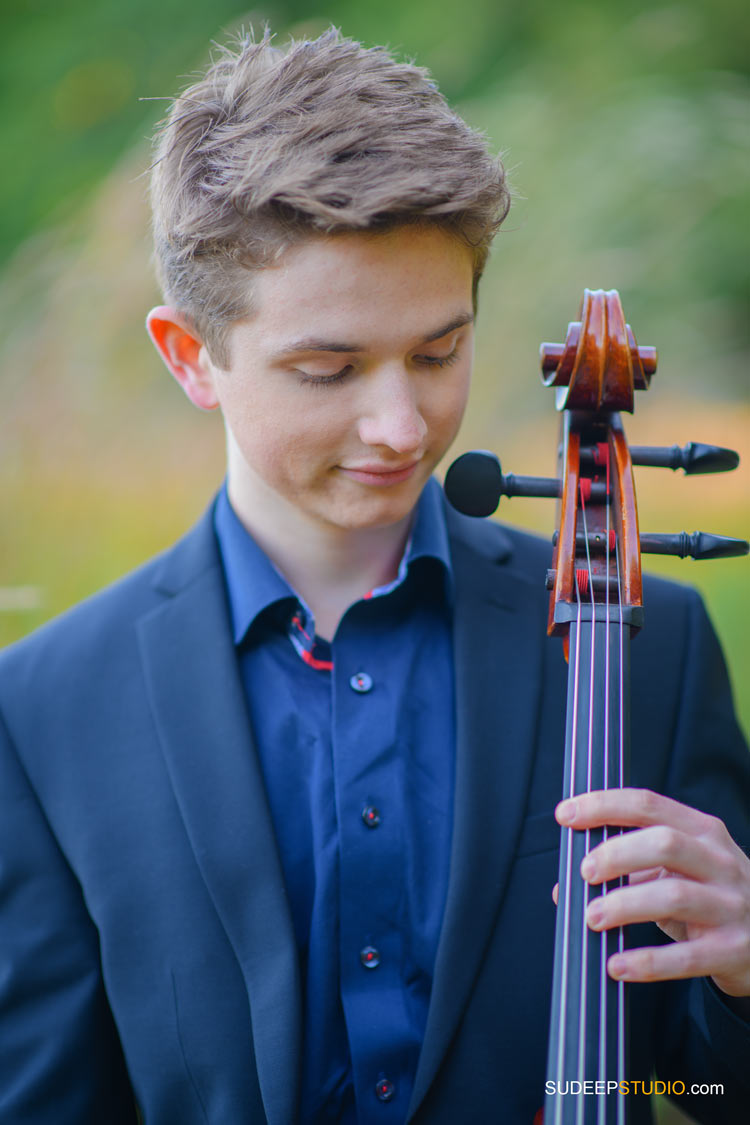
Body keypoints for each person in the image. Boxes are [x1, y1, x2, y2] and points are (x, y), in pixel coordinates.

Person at [0, 27, 748, 1125]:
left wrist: (742, 974)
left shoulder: (653, 649)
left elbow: (702, 1087)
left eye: (439, 352)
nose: (402, 427)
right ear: (188, 355)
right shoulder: (42, 715)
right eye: (328, 368)